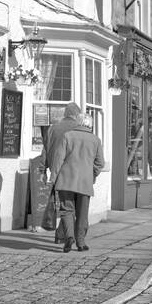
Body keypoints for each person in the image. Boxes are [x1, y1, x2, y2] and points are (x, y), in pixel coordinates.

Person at [45, 103, 105, 253]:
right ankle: (81, 243)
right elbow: (100, 163)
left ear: (78, 122)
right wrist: (92, 175)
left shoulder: (68, 136)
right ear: (90, 125)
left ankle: (69, 237)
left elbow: (58, 159)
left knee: (66, 211)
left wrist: (52, 178)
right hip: (85, 182)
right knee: (82, 213)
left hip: (66, 181)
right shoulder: (95, 140)